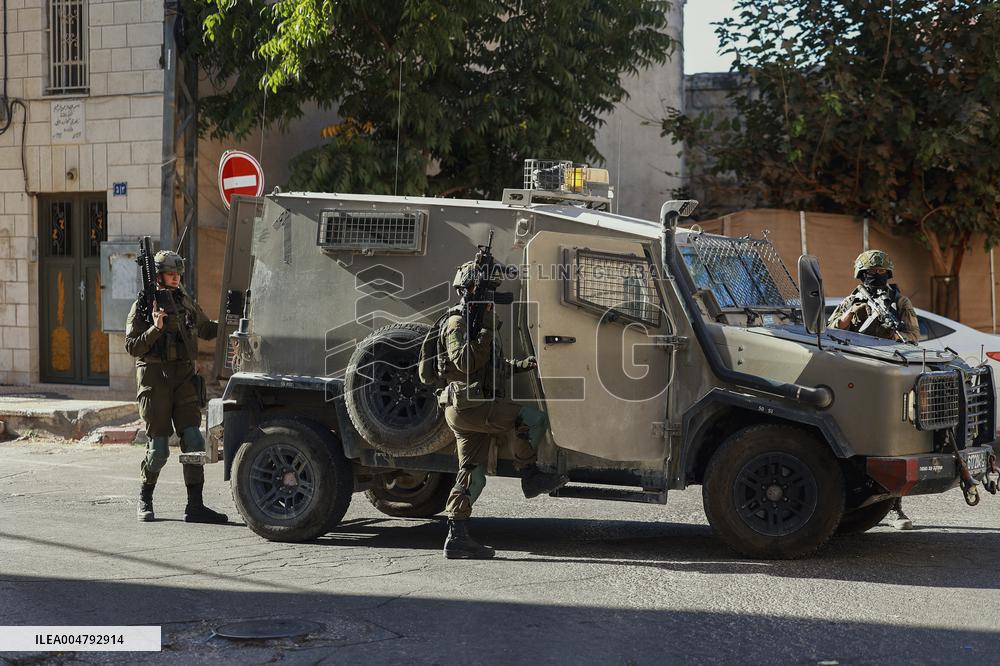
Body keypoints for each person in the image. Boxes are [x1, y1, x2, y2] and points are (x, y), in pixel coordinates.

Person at [438, 262, 568, 559]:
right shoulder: (458, 323)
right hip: (468, 407)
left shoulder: (475, 320)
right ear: (466, 291)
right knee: (531, 419)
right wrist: (484, 329)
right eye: (480, 290)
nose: (487, 298)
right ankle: (530, 475)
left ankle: (456, 538)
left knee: (473, 474)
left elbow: (489, 369)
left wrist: (521, 366)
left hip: (473, 406)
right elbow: (465, 363)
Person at [125, 250, 228, 524]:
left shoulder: (184, 301)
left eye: (178, 274)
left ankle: (195, 506)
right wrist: (155, 328)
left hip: (183, 377)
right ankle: (145, 499)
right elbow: (132, 346)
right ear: (158, 276)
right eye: (171, 274)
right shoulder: (144, 306)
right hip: (154, 378)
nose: (176, 278)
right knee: (158, 450)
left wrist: (230, 322)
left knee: (194, 441)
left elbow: (206, 329)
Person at [828, 249, 919, 530]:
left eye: (881, 274)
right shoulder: (850, 301)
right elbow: (828, 332)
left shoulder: (900, 302)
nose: (876, 278)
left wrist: (896, 334)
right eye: (871, 274)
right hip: (854, 377)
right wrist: (848, 317)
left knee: (890, 444)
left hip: (887, 379)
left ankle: (895, 507)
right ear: (860, 276)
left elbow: (914, 338)